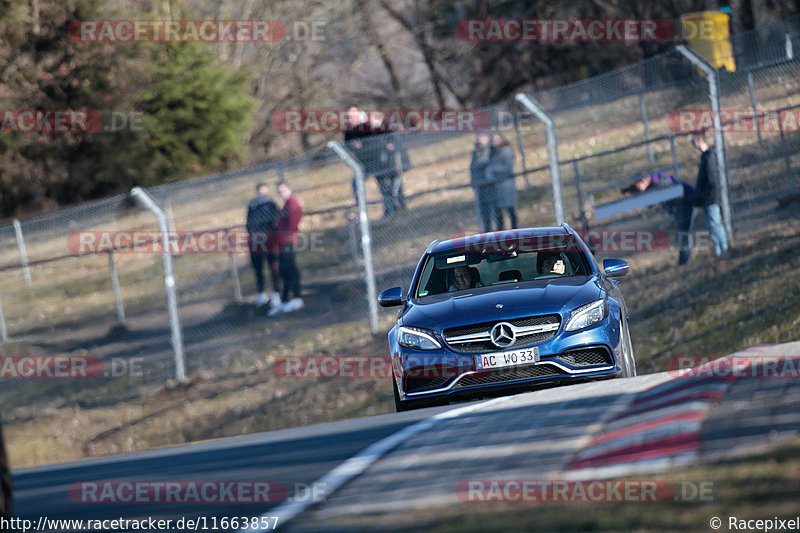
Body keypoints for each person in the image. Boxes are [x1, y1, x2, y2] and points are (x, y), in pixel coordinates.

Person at [621, 171, 697, 265]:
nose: (637, 188)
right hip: (681, 205)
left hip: (686, 203)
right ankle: (684, 261)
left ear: (644, 181)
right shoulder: (654, 183)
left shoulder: (660, 182)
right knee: (681, 235)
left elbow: (653, 202)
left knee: (683, 235)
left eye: (637, 185)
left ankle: (684, 262)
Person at [343, 105, 403, 218]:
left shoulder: (367, 125)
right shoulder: (349, 130)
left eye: (354, 114)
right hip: (362, 163)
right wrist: (353, 145)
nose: (352, 117)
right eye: (349, 115)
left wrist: (364, 144)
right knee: (356, 184)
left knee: (383, 186)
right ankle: (362, 213)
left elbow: (379, 138)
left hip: (377, 160)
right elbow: (347, 144)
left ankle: (390, 210)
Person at [689, 130, 729, 263]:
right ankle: (720, 252)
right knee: (713, 226)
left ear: (700, 139)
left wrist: (705, 196)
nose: (692, 142)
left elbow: (711, 180)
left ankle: (723, 251)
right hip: (707, 199)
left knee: (715, 225)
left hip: (710, 198)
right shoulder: (706, 156)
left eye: (694, 139)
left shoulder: (709, 156)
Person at [269, 180, 304, 315]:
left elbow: (291, 225)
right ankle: (285, 299)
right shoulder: (287, 205)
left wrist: (283, 236)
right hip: (283, 242)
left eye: (283, 190)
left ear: (289, 189)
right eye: (279, 192)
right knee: (284, 270)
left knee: (290, 269)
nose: (281, 194)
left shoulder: (292, 204)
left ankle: (296, 297)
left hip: (288, 242)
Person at [246, 183, 281, 308]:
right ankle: (261, 293)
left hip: (269, 241)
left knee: (273, 267)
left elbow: (277, 220)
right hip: (256, 242)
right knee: (258, 268)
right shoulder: (252, 205)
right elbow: (249, 223)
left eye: (265, 192)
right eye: (261, 192)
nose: (263, 194)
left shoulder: (271, 204)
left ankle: (276, 293)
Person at [486, 132, 518, 230]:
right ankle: (500, 233)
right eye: (493, 140)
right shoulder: (494, 152)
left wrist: (492, 169)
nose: (495, 142)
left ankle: (515, 231)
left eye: (497, 139)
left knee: (510, 211)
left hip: (506, 187)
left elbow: (508, 168)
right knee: (498, 213)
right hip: (498, 188)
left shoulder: (506, 150)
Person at [469, 130, 496, 232]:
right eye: (478, 136)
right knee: (484, 212)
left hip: (490, 186)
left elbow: (490, 164)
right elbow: (472, 167)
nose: (479, 139)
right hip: (479, 186)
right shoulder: (476, 150)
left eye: (482, 136)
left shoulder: (492, 149)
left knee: (494, 211)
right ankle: (487, 231)